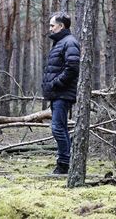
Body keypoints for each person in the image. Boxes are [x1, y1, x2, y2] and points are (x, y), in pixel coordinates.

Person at [42, 12, 80, 174]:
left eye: (52, 25)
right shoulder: (61, 42)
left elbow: (72, 68)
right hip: (58, 93)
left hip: (62, 93)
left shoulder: (69, 42)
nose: (50, 28)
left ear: (61, 26)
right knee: (60, 127)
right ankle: (66, 162)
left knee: (58, 128)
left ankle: (64, 164)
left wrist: (56, 84)